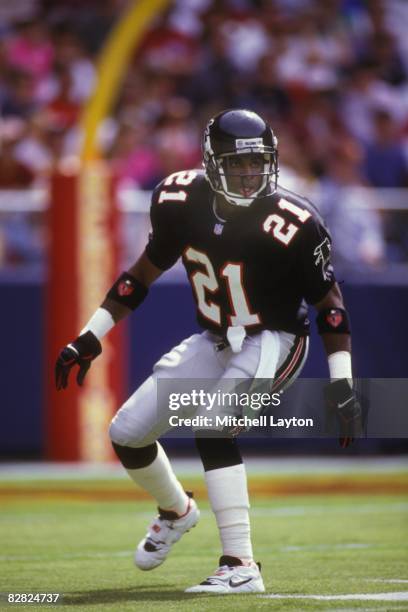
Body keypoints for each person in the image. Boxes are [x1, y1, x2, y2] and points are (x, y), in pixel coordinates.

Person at [55, 109, 361, 594]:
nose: (249, 173)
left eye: (257, 163)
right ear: (211, 162)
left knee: (214, 425)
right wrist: (90, 334)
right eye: (237, 165)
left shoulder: (294, 221)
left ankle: (241, 564)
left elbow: (331, 307)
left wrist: (343, 384)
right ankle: (177, 510)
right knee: (127, 432)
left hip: (275, 338)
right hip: (216, 337)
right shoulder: (178, 200)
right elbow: (141, 274)